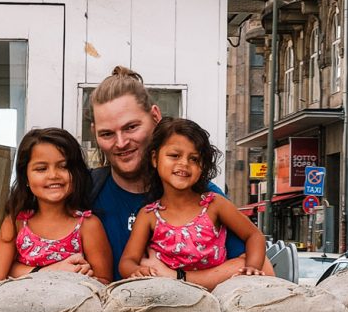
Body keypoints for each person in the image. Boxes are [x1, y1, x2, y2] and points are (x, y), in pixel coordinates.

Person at [89, 66, 268, 287]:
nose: (121, 142)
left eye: (131, 127)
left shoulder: (204, 197)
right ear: (94, 133)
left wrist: (177, 278)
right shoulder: (83, 191)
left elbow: (264, 270)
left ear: (155, 116)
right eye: (107, 134)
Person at [119, 117, 266, 283]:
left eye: (194, 159)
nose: (184, 164)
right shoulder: (148, 215)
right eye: (174, 155)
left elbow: (254, 235)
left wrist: (253, 266)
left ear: (202, 166)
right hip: (169, 296)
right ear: (155, 159)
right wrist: (137, 270)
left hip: (215, 294)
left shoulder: (214, 204)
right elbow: (127, 261)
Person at [0, 127, 113, 283]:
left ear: (77, 173)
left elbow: (104, 281)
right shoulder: (16, 223)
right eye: (41, 169)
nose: (53, 175)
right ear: (25, 176)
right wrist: (49, 272)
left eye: (64, 166)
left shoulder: (88, 225)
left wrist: (82, 278)